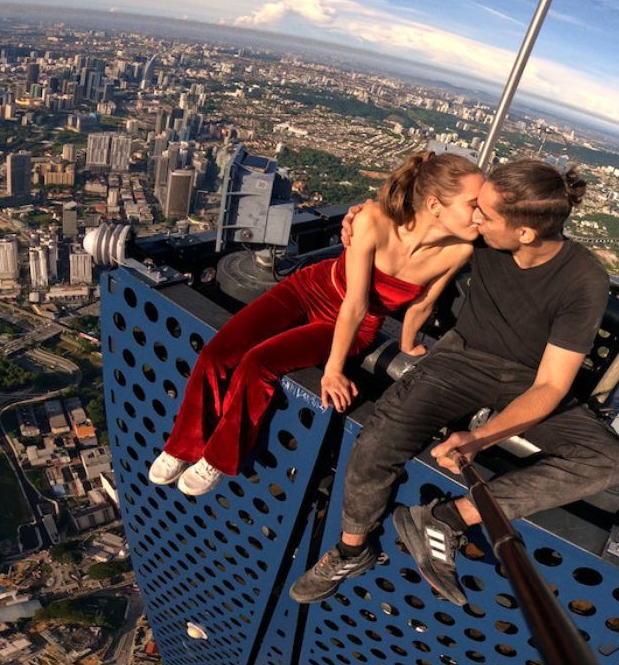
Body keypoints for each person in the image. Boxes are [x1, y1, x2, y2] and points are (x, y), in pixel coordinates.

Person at [290, 159, 619, 606]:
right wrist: (360, 216)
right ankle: (353, 550)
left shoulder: (582, 279)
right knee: (378, 441)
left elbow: (550, 385)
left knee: (607, 461)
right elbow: (409, 218)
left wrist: (481, 438)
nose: (473, 217)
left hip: (528, 381)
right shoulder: (482, 235)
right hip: (463, 358)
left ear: (524, 233)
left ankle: (448, 518)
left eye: (484, 213)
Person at [148, 151, 483, 496]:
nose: (480, 213)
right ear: (435, 204)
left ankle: (219, 457)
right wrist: (334, 370)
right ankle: (181, 446)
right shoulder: (374, 219)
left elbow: (423, 303)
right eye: (473, 203)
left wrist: (407, 344)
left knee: (258, 364)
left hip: (356, 324)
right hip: (310, 289)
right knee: (218, 353)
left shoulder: (460, 249)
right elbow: (355, 299)